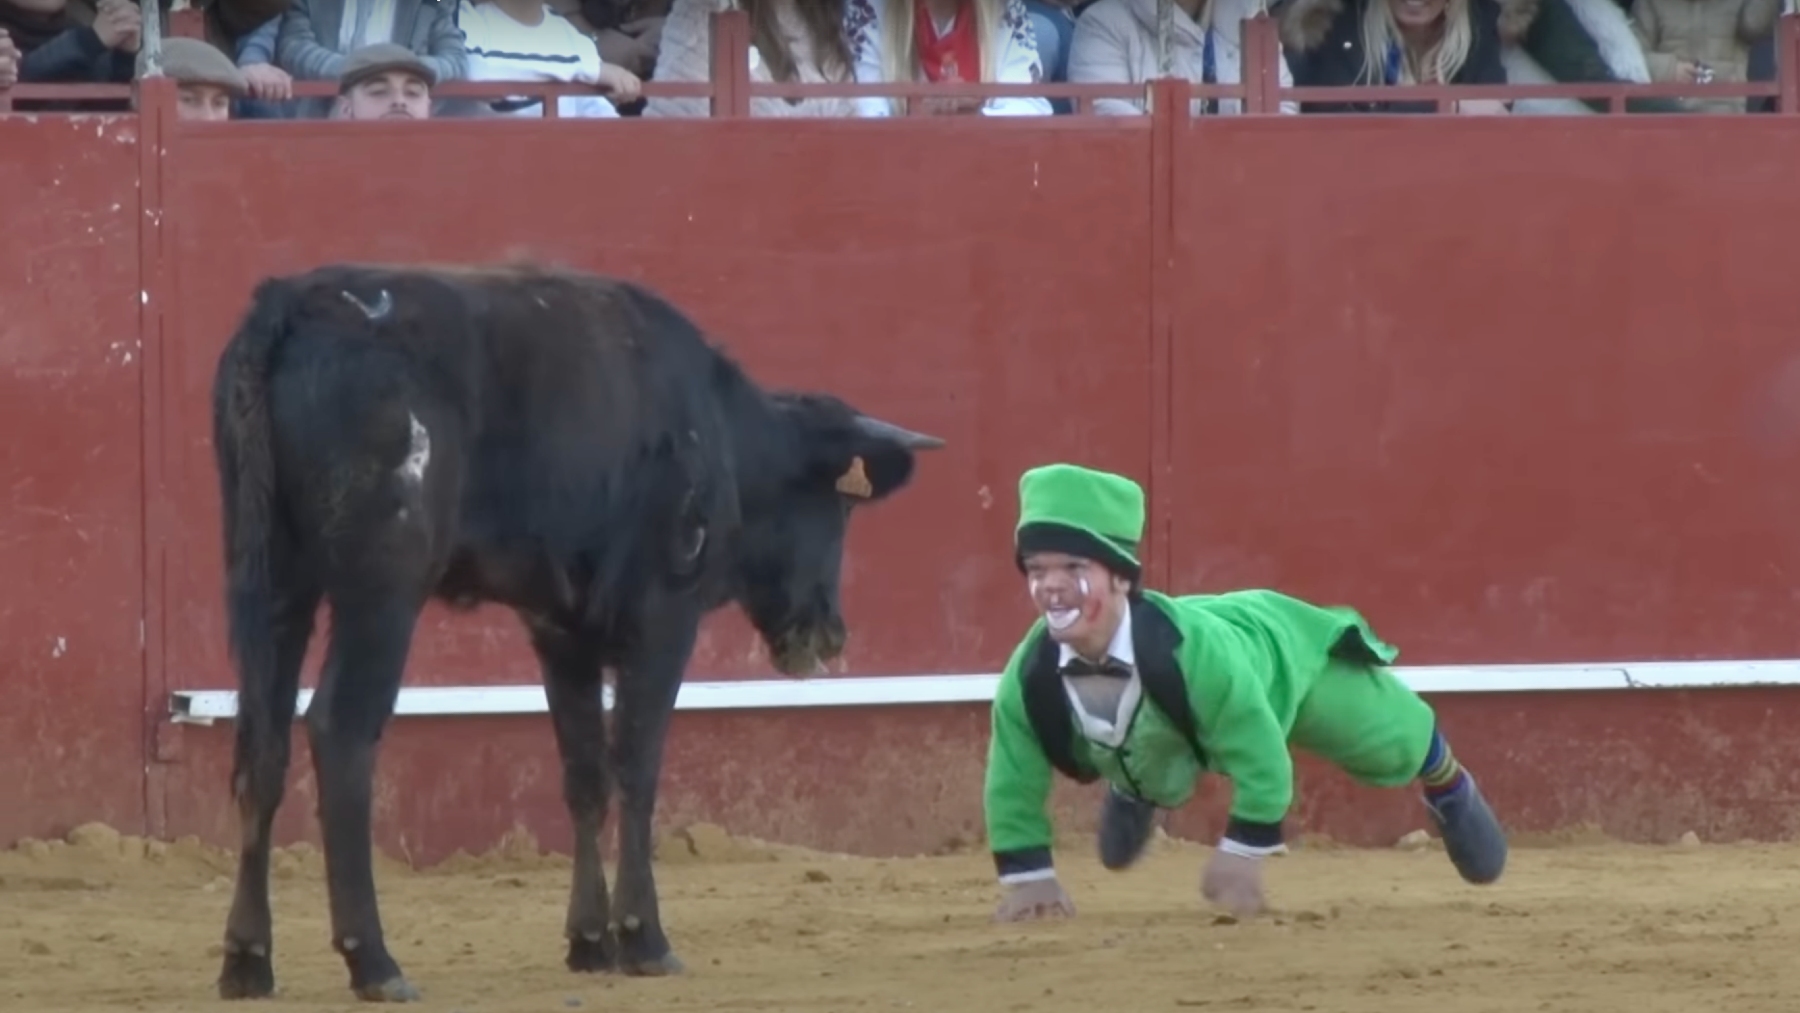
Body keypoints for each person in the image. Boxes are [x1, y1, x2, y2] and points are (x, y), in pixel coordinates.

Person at [983, 462, 1509, 922]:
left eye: (1074, 568)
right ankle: (1139, 782)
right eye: (1036, 569)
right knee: (1152, 743)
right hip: (1172, 710)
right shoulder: (1030, 676)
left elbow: (1261, 751)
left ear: (1121, 578)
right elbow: (1013, 773)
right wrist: (1028, 877)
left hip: (1279, 664)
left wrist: (1243, 849)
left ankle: (1448, 782)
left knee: (1390, 735)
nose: (1050, 585)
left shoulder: (1198, 655)